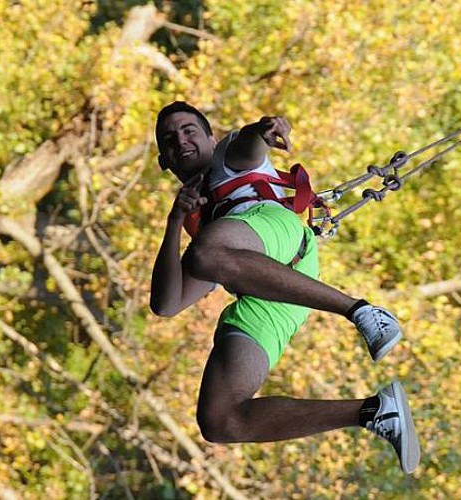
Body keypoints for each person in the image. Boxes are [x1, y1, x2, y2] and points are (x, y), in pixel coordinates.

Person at [150, 101, 420, 473]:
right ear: (164, 160)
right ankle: (375, 412)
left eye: (189, 130)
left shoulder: (226, 158)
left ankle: (360, 311)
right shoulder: (198, 225)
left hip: (280, 232)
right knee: (219, 419)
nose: (180, 139)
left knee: (206, 255)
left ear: (210, 138)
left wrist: (262, 130)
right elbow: (166, 304)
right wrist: (175, 220)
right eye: (170, 139)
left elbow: (249, 143)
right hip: (275, 291)